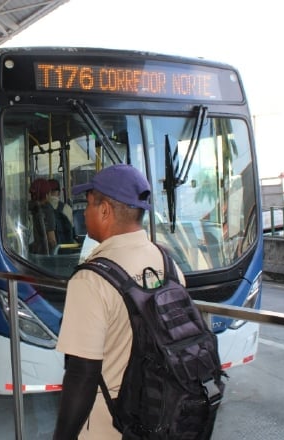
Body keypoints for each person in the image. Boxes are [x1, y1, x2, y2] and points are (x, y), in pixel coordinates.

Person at [53, 164, 185, 439]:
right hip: (161, 418)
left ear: (104, 210)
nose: (85, 212)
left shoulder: (91, 280)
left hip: (109, 427)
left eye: (88, 204)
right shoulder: (169, 265)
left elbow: (82, 375)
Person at [28, 178, 57, 255]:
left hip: (28, 251)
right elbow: (52, 240)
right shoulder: (47, 209)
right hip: (42, 254)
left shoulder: (27, 207)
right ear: (47, 195)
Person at [48, 179, 75, 245]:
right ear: (59, 193)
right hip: (66, 248)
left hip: (47, 251)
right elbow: (72, 228)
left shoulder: (41, 209)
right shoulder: (67, 208)